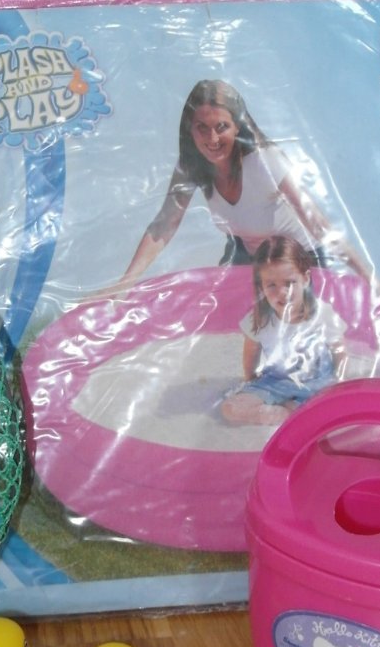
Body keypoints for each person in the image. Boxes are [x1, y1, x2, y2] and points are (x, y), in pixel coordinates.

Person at [115, 79, 365, 288]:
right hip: (249, 258)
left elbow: (318, 223)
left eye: (221, 127)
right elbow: (164, 225)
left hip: (299, 259)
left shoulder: (264, 161)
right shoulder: (192, 165)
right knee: (224, 318)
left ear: (237, 127)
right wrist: (124, 285)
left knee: (297, 323)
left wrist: (368, 278)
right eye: (202, 128)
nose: (212, 138)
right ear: (190, 130)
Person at [220, 237, 348, 426]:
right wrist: (251, 380)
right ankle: (278, 413)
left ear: (305, 279)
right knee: (230, 408)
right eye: (271, 285)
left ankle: (291, 410)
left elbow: (339, 350)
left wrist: (339, 381)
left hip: (316, 383)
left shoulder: (322, 314)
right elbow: (251, 352)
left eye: (289, 283)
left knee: (326, 413)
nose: (282, 292)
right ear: (261, 286)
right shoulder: (260, 317)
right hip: (275, 380)